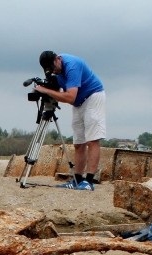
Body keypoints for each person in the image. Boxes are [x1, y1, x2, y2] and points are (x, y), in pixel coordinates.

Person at [33, 50, 106, 190]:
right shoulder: (56, 71)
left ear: (58, 59)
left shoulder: (72, 65)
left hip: (93, 96)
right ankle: (77, 180)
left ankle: (89, 181)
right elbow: (64, 94)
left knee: (92, 140)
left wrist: (46, 91)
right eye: (50, 71)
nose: (54, 72)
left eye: (54, 68)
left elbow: (70, 97)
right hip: (78, 103)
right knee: (79, 143)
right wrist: (47, 86)